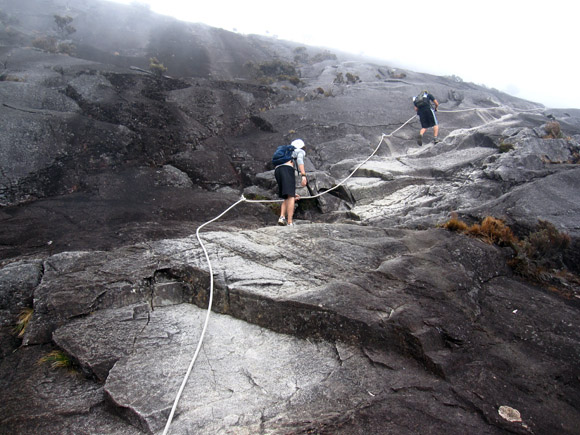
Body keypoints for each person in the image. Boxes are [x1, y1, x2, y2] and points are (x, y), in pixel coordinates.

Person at [274, 139, 307, 227]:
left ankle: (282, 217)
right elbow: (300, 160)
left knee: (287, 195)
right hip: (287, 169)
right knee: (291, 196)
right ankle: (290, 222)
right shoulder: (299, 151)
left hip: (277, 170)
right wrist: (303, 175)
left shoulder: (287, 152)